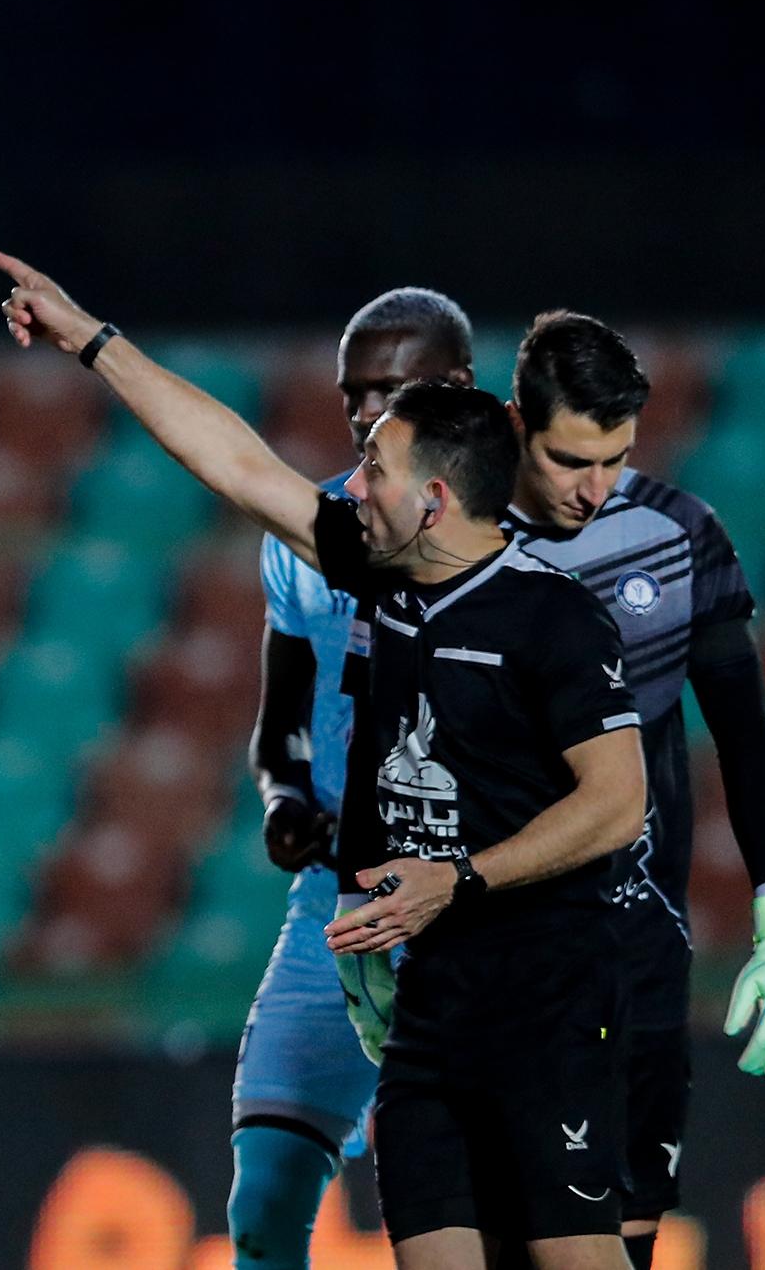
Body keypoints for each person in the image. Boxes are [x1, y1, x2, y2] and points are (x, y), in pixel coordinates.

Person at [0, 249, 646, 1270]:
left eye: (376, 462)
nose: (352, 478)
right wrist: (90, 340)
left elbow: (616, 803)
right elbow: (236, 465)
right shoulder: (374, 572)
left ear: (433, 496)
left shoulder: (554, 614)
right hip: (410, 994)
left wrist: (460, 878)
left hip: (531, 992)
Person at [491, 310, 765, 1268]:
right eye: (569, 460)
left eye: (615, 460)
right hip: (498, 964)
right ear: (516, 423)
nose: (593, 489)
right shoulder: (453, 548)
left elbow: (745, 732)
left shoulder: (679, 534)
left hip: (640, 957)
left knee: (624, 1248)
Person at [233, 288, 475, 1268]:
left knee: (470, 1212)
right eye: (352, 394)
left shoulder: (524, 539)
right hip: (336, 907)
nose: (366, 413)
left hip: (477, 913)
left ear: (457, 387)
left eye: (392, 391)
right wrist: (285, 798)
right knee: (264, 1196)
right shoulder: (310, 534)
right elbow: (281, 725)